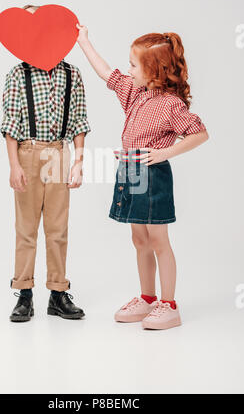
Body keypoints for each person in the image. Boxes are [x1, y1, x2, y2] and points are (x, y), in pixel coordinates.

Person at [76, 25, 209, 330]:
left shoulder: (171, 105)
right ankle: (147, 298)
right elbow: (106, 72)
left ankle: (169, 304)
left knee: (159, 240)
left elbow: (200, 134)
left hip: (153, 174)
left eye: (134, 65)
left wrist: (164, 154)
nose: (129, 69)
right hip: (130, 171)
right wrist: (84, 41)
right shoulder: (136, 93)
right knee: (139, 239)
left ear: (154, 70)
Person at [0, 4, 91, 322]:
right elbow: (10, 123)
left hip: (58, 152)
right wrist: (14, 165)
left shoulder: (71, 74)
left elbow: (79, 121)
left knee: (57, 227)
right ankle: (24, 293)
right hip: (27, 151)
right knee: (26, 228)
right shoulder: (17, 74)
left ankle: (57, 292)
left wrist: (78, 161)